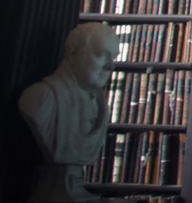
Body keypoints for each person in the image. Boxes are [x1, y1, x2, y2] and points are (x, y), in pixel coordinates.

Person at [19, 22, 120, 200]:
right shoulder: (41, 98)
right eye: (101, 55)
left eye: (113, 57)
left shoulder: (100, 104)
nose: (110, 66)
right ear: (73, 54)